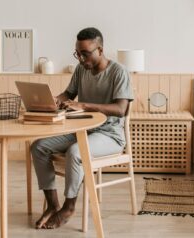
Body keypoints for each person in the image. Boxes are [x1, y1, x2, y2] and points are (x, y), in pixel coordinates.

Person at [30, 27, 134, 229]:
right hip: (83, 131)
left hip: (109, 135)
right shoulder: (81, 69)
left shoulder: (119, 72)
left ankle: (69, 207)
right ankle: (53, 205)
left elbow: (121, 109)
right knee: (38, 146)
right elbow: (68, 93)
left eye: (85, 53)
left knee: (75, 152)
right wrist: (53, 101)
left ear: (100, 50)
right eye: (78, 53)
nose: (80, 58)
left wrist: (84, 105)